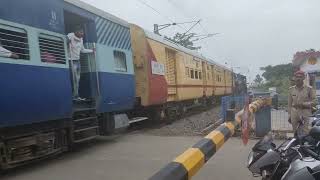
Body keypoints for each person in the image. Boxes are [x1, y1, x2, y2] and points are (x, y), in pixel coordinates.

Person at [67, 26, 94, 101]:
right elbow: (65, 40)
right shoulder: (70, 35)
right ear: (76, 31)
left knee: (77, 79)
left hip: (77, 61)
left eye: (83, 32)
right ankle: (73, 96)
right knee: (73, 79)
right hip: (70, 60)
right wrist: (67, 41)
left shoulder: (81, 39)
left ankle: (76, 95)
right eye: (81, 32)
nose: (83, 34)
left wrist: (92, 51)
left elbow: (82, 50)